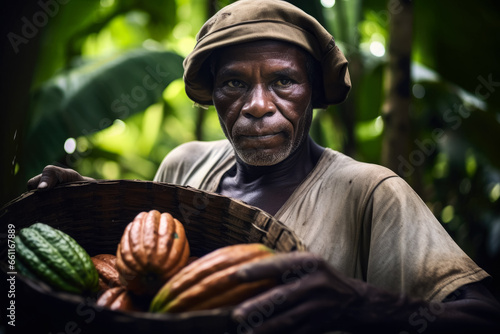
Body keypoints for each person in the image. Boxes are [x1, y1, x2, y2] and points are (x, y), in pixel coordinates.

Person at [27, 0, 500, 333]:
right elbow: (144, 268)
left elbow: (484, 316)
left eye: (283, 81)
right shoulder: (184, 164)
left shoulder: (370, 192)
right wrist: (91, 201)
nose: (257, 106)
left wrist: (360, 304)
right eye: (234, 83)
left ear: (313, 89)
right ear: (213, 94)